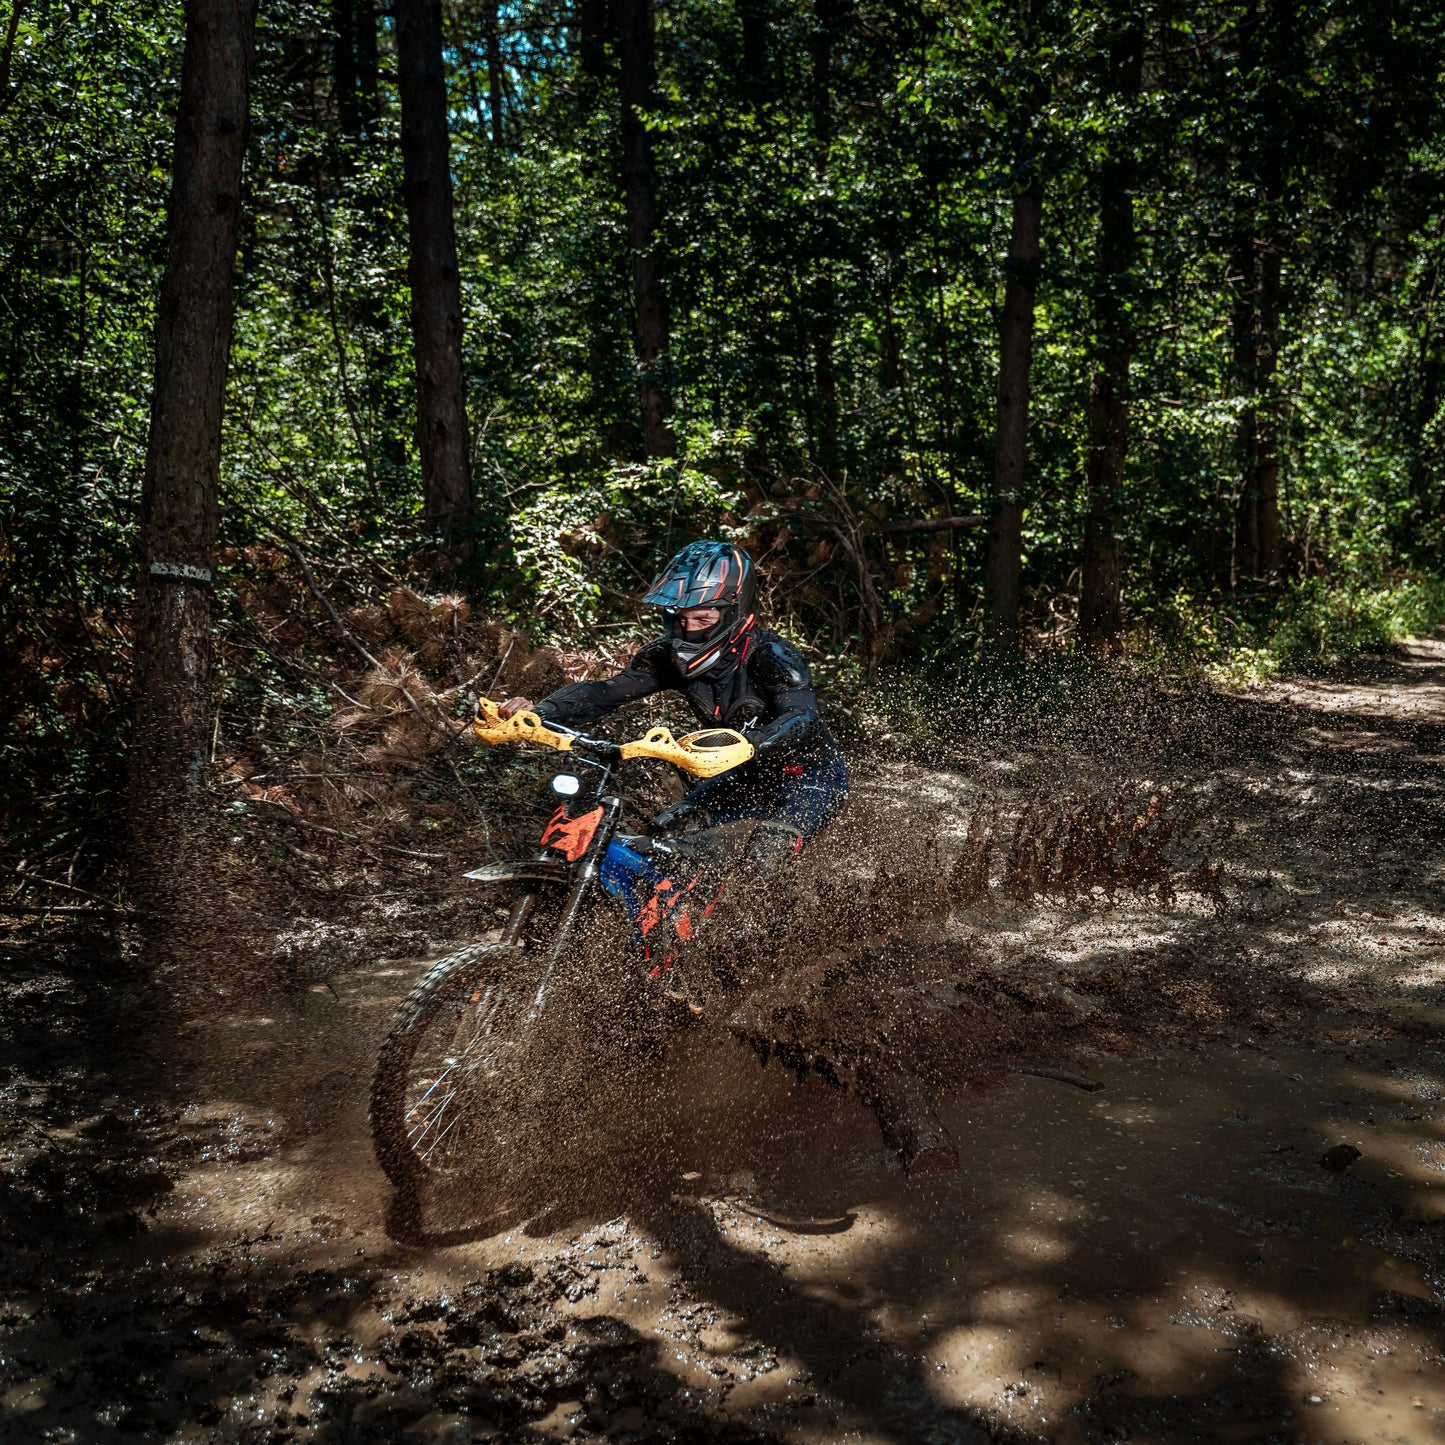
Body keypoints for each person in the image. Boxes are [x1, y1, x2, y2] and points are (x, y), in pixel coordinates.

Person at [499, 539, 849, 872]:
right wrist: (539, 712)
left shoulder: (773, 656)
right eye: (680, 619)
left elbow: (803, 718)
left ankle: (786, 927)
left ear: (734, 614)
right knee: (664, 837)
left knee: (764, 856)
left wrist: (751, 743)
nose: (689, 630)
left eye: (703, 620)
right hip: (743, 777)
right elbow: (605, 692)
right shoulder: (666, 655)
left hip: (808, 778)